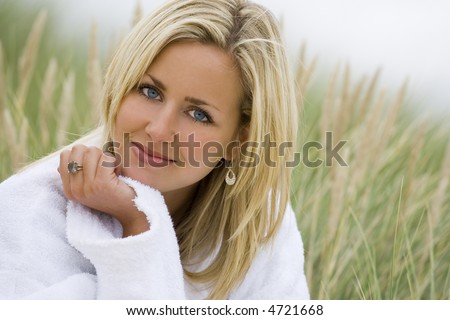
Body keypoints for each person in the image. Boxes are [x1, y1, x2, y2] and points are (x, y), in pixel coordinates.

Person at [0, 0, 309, 299]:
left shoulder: (258, 223)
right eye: (150, 92)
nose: (159, 130)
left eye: (199, 114)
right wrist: (139, 230)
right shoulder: (31, 212)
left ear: (239, 142)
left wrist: (136, 216)